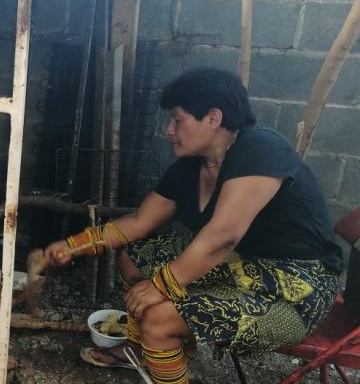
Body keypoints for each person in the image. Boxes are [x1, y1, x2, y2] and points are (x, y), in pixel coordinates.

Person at [45, 67, 343, 384]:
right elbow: (139, 221)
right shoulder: (190, 168)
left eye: (177, 119)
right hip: (238, 263)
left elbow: (223, 236)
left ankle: (156, 338)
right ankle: (138, 351)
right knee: (132, 258)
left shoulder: (260, 149)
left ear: (213, 118)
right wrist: (74, 245)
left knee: (159, 320)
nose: (168, 130)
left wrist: (162, 287)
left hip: (294, 285)